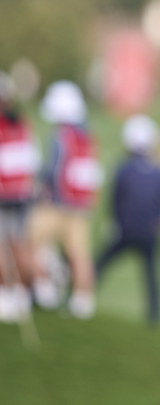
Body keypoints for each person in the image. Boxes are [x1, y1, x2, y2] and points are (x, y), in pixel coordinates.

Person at [29, 81, 102, 319]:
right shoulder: (87, 136)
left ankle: (45, 290)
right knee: (79, 253)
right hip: (81, 207)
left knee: (29, 241)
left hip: (58, 205)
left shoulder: (60, 136)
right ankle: (83, 302)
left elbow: (51, 171)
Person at [95, 115, 160, 326]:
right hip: (149, 232)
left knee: (101, 263)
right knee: (152, 274)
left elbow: (115, 199)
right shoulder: (159, 171)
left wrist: (115, 222)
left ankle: (81, 298)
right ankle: (155, 317)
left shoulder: (124, 168)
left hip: (126, 230)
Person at [0, 72, 38, 323]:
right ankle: (23, 296)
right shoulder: (23, 123)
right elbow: (34, 159)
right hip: (23, 193)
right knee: (19, 243)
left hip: (4, 194)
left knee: (2, 246)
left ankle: (5, 296)